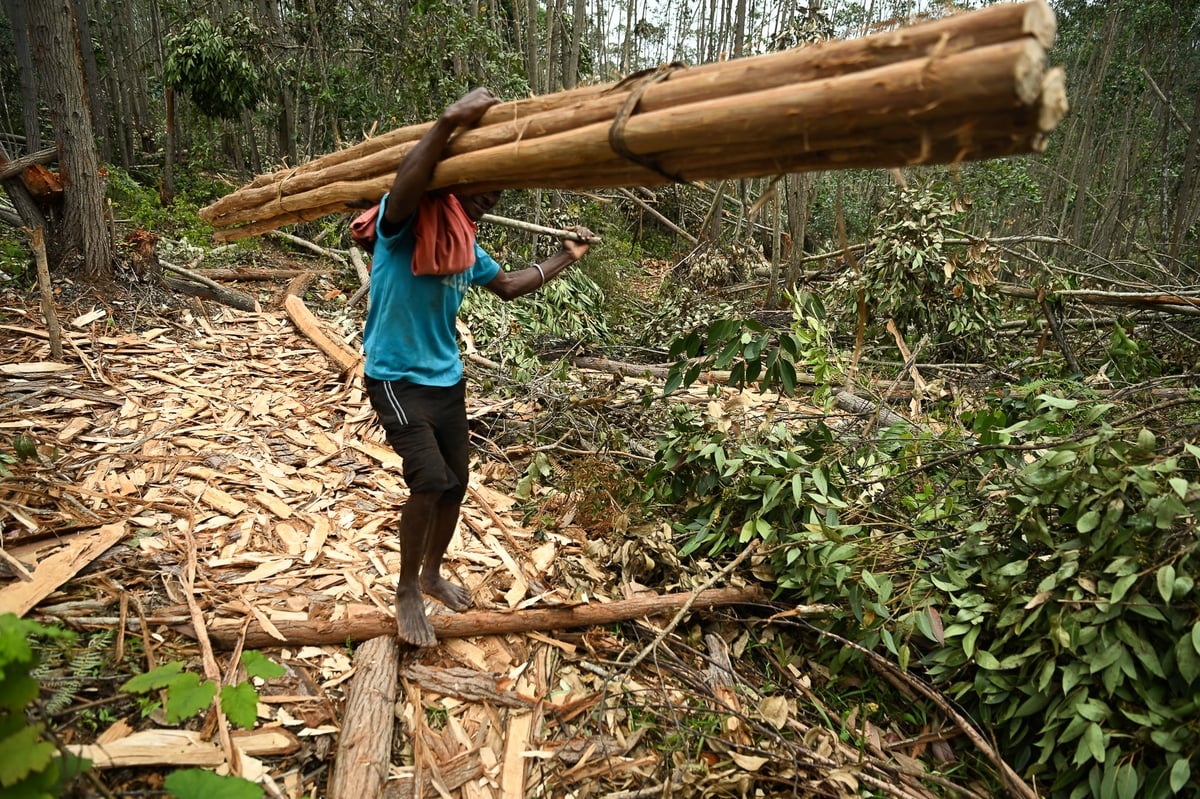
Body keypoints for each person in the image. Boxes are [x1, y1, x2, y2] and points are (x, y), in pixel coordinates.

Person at [361, 87, 595, 647]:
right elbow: (404, 183)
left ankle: (432, 572)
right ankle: (405, 591)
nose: (489, 199)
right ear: (456, 182)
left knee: (457, 483)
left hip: (446, 380)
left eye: (496, 192)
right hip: (395, 380)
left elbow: (510, 286)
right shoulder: (404, 224)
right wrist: (447, 122)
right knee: (430, 480)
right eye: (481, 187)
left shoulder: (465, 247)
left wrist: (567, 255)